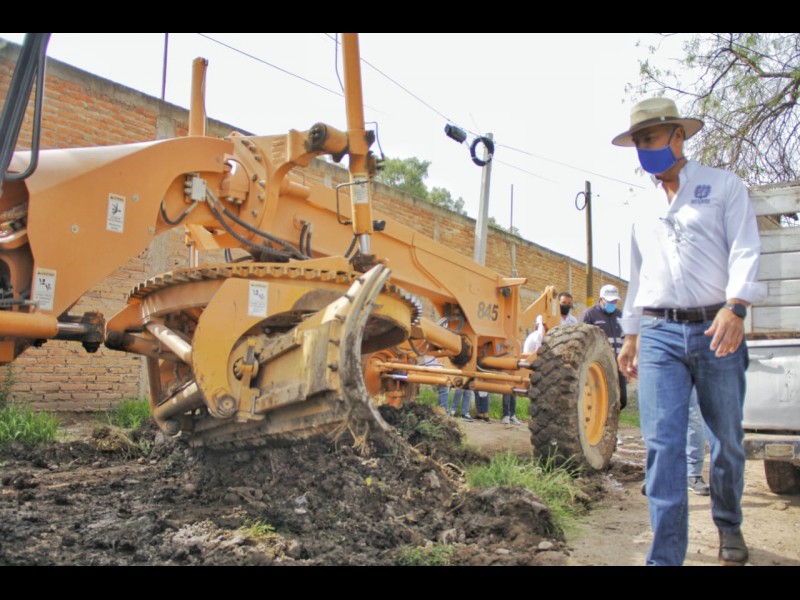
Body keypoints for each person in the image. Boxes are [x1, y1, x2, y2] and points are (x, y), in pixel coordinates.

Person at [614, 97, 766, 566]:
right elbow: (638, 273)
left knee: (725, 442)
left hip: (717, 328)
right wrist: (632, 334)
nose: (645, 148)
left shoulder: (722, 186)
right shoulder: (640, 205)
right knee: (663, 446)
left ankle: (729, 523)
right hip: (659, 332)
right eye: (639, 142)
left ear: (678, 136)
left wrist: (736, 307)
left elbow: (745, 249)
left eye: (652, 138)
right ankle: (665, 557)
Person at [579, 284, 627, 410]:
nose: (612, 304)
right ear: (601, 299)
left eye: (615, 301)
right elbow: (581, 338)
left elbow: (625, 338)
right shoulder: (589, 314)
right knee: (601, 398)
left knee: (622, 399)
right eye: (609, 301)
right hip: (599, 363)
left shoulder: (620, 315)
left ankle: (612, 419)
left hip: (617, 362)